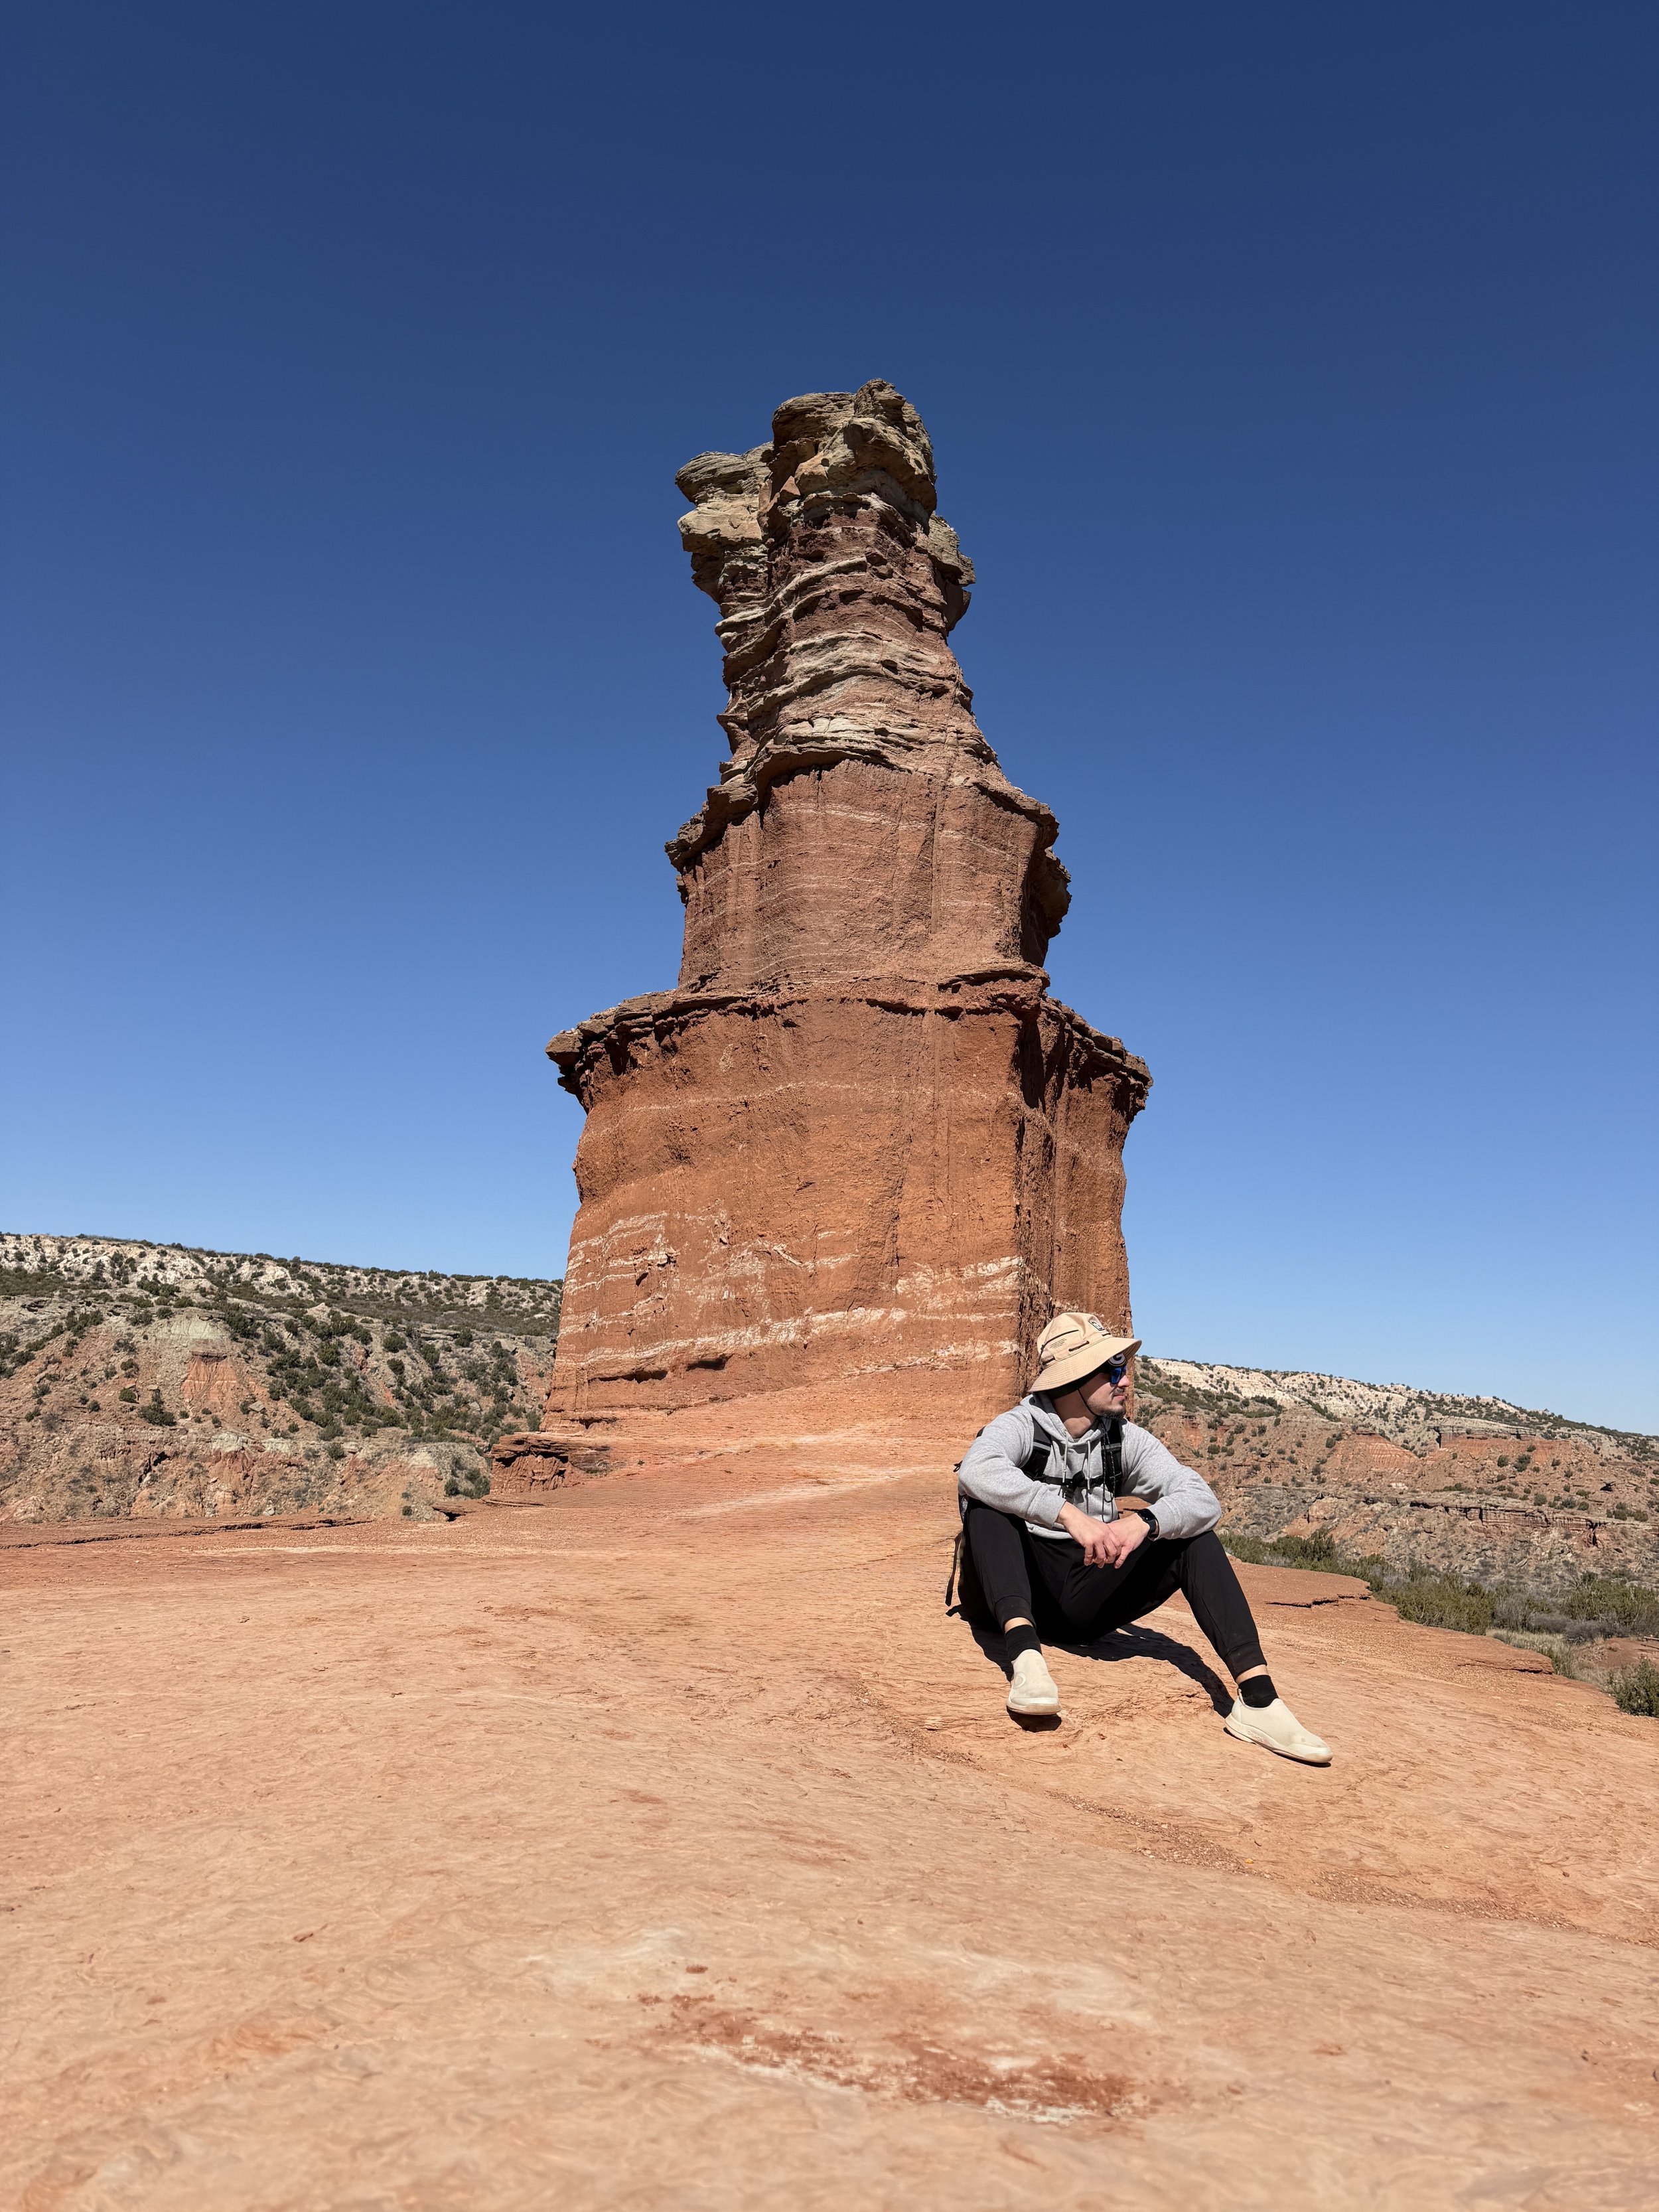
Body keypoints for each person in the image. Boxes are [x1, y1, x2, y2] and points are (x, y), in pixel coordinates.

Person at [956, 1311, 1331, 1763]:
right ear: (1073, 1376)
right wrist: (1066, 1513)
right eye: (1112, 1369)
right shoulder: (1023, 1425)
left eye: (1124, 1368)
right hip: (1011, 1590)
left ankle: (1258, 1699)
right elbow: (977, 1469)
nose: (1125, 1380)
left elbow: (1200, 1498)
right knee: (986, 1507)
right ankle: (1026, 1660)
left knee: (1192, 1536)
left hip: (1079, 1597)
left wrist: (1143, 1522)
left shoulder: (1121, 1440)